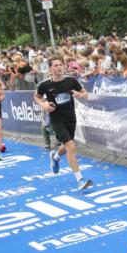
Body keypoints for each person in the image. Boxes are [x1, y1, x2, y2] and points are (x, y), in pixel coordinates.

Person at [35, 56, 93, 191]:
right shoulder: (44, 84)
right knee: (71, 146)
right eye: (55, 65)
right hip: (56, 119)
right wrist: (44, 105)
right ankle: (80, 179)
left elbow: (86, 94)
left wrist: (80, 94)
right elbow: (37, 97)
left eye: (60, 65)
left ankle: (55, 157)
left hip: (71, 117)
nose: (59, 67)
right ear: (50, 69)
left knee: (66, 145)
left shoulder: (71, 81)